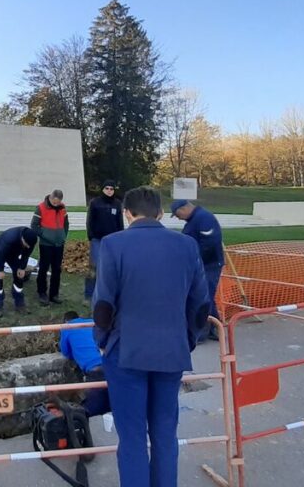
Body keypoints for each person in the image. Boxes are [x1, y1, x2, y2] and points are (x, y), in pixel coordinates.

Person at [94, 187, 210, 487]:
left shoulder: (112, 244)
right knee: (165, 434)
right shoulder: (186, 245)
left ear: (127, 214)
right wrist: (188, 339)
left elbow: (103, 305)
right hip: (171, 352)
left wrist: (102, 342)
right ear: (160, 213)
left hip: (126, 352)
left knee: (132, 437)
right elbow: (200, 304)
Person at [170, 199, 224, 341]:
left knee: (204, 297)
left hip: (209, 265)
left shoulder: (204, 218)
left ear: (184, 209)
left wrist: (194, 260)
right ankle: (214, 328)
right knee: (205, 296)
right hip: (203, 264)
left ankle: (205, 330)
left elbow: (209, 244)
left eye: (177, 214)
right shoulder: (195, 220)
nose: (178, 218)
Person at [60, 311, 111, 417]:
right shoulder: (92, 322)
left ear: (65, 321)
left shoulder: (67, 327)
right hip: (111, 364)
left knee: (92, 409)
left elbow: (65, 352)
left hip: (94, 370)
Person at [85, 179, 125, 302]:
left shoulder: (117, 204)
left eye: (111, 189)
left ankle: (108, 293)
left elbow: (120, 222)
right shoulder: (95, 202)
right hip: (97, 239)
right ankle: (89, 294)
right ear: (102, 189)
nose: (109, 191)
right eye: (106, 188)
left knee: (111, 267)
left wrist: (120, 237)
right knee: (94, 267)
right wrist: (91, 236)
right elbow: (90, 220)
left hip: (112, 240)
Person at [0, 226, 38, 318]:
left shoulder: (30, 241)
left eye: (29, 246)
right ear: (22, 238)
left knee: (19, 277)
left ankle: (20, 304)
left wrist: (22, 268)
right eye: (26, 244)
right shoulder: (10, 238)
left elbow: (25, 255)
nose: (27, 247)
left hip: (13, 254)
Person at [31, 189, 69, 305]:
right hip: (46, 244)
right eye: (54, 202)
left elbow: (66, 224)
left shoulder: (62, 208)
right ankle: (42, 293)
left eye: (58, 202)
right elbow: (34, 225)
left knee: (57, 269)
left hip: (59, 244)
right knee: (44, 268)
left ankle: (54, 294)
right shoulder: (41, 207)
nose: (56, 204)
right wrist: (45, 235)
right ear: (51, 198)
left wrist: (63, 236)